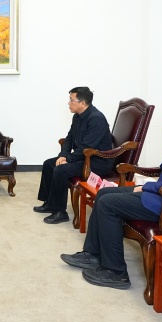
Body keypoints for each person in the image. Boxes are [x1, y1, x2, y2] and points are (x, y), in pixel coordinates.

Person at [61, 83, 162, 289]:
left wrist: (149, 187)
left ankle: (116, 272)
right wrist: (150, 185)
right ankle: (93, 254)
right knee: (104, 193)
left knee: (108, 204)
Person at [35, 86, 114, 225]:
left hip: (97, 162)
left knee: (60, 170)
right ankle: (50, 203)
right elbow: (69, 138)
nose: (69, 103)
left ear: (82, 103)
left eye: (72, 100)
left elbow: (87, 147)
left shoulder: (97, 119)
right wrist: (63, 155)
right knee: (49, 164)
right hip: (83, 158)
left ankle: (60, 212)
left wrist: (69, 159)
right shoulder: (77, 116)